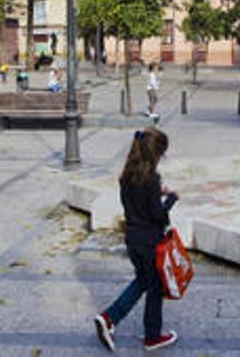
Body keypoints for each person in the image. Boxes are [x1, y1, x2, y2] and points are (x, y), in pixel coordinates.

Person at [94, 128, 180, 352]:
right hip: (149, 241)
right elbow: (157, 216)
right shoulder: (151, 179)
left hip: (132, 238)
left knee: (143, 281)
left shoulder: (126, 176)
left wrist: (156, 195)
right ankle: (152, 337)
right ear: (155, 154)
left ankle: (108, 318)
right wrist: (170, 199)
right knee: (155, 288)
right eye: (162, 154)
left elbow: (135, 204)